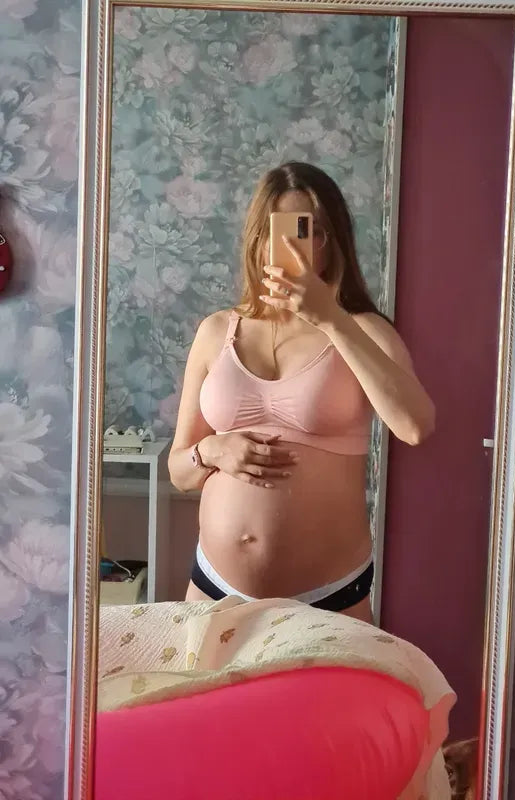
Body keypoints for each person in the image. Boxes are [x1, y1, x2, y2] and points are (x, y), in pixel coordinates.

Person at [168, 162, 435, 622]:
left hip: (328, 598)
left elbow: (415, 426)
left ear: (333, 240)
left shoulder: (362, 330)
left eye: (310, 231)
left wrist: (331, 318)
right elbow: (179, 471)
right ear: (259, 238)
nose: (295, 246)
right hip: (213, 591)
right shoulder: (216, 332)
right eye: (281, 231)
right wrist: (211, 450)